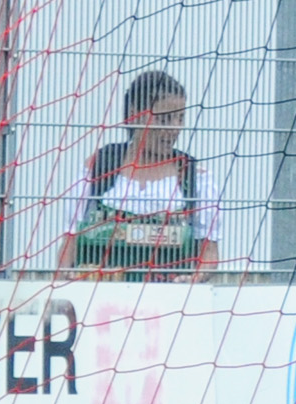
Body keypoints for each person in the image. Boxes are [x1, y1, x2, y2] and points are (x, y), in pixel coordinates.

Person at [57, 69, 221, 279]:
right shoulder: (99, 166)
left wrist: (193, 279)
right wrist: (67, 276)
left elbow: (209, 253)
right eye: (165, 119)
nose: (175, 129)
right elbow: (70, 241)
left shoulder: (195, 178)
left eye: (180, 118)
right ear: (136, 115)